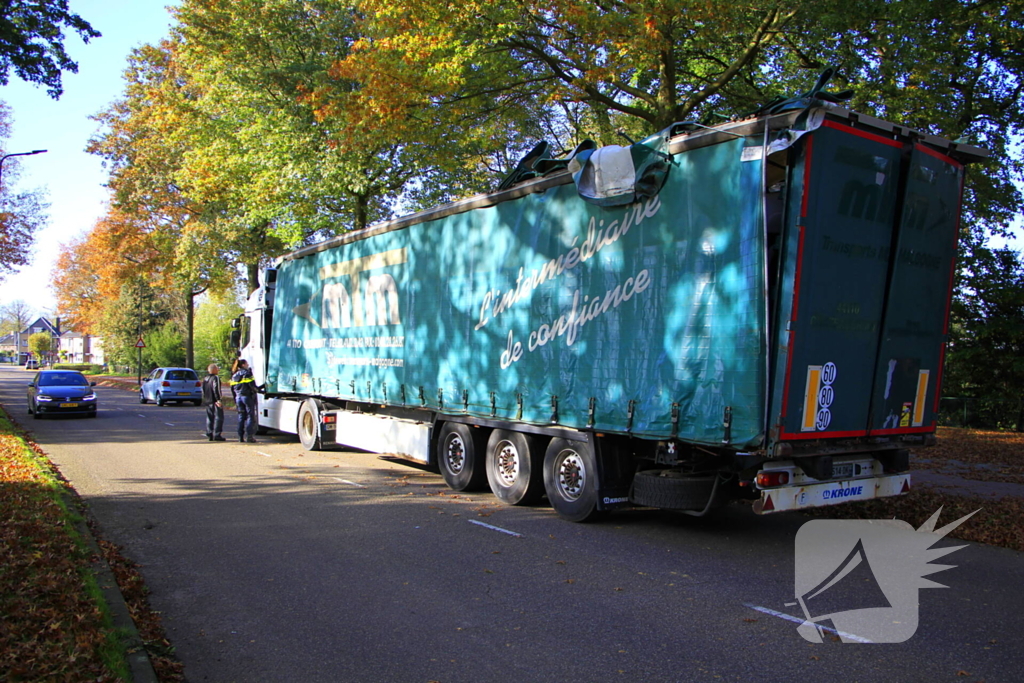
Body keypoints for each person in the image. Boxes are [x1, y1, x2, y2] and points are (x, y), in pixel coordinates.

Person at [231, 358, 258, 443]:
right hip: (247, 397)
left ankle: (240, 437)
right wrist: (259, 391)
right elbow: (252, 386)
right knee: (250, 416)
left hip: (238, 397)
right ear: (243, 365)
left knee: (241, 416)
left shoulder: (234, 375)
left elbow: (232, 389)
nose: (248, 365)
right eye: (246, 364)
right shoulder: (247, 373)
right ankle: (249, 437)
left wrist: (235, 398)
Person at [201, 363, 226, 441]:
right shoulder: (216, 378)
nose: (218, 369)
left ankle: (209, 433)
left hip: (208, 401)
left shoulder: (205, 378)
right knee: (219, 417)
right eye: (217, 368)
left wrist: (205, 399)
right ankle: (217, 434)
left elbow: (203, 390)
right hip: (215, 401)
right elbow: (216, 389)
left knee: (209, 418)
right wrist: (218, 400)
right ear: (214, 370)